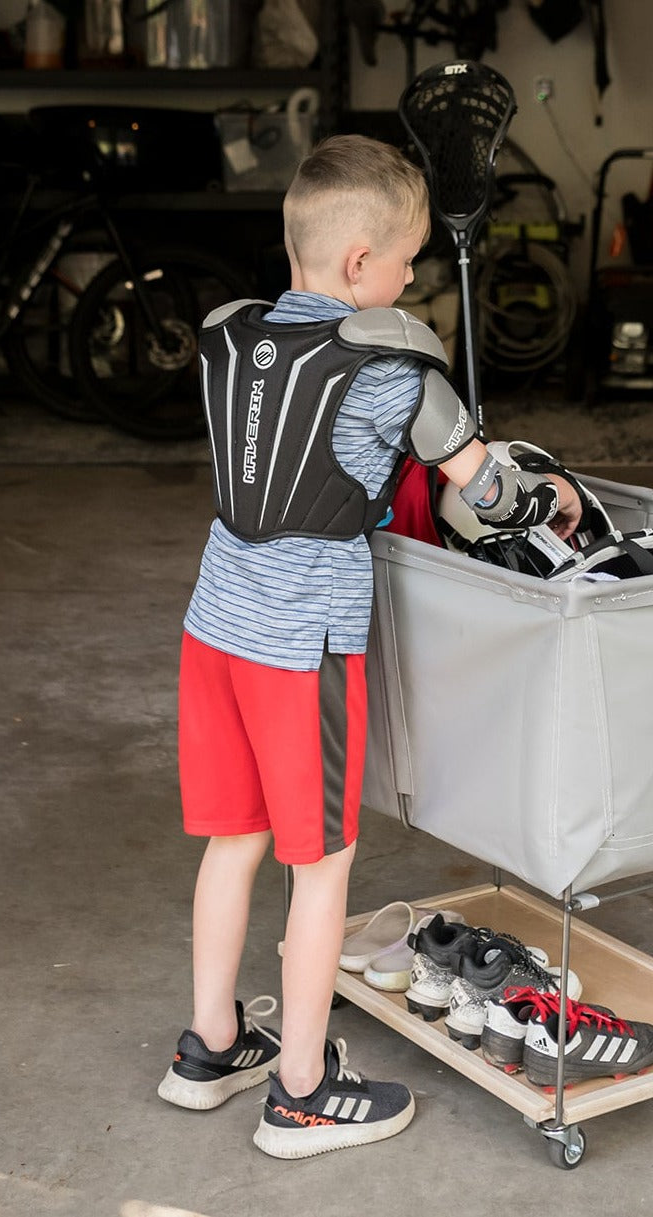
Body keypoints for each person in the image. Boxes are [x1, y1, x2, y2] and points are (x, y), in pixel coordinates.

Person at [159, 134, 581, 1159]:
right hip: (301, 645)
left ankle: (211, 1047)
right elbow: (482, 488)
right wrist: (552, 496)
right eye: (405, 262)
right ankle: (301, 1088)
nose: (408, 280)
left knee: (234, 840)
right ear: (360, 265)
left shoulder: (226, 334)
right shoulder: (390, 364)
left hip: (213, 624)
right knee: (323, 865)